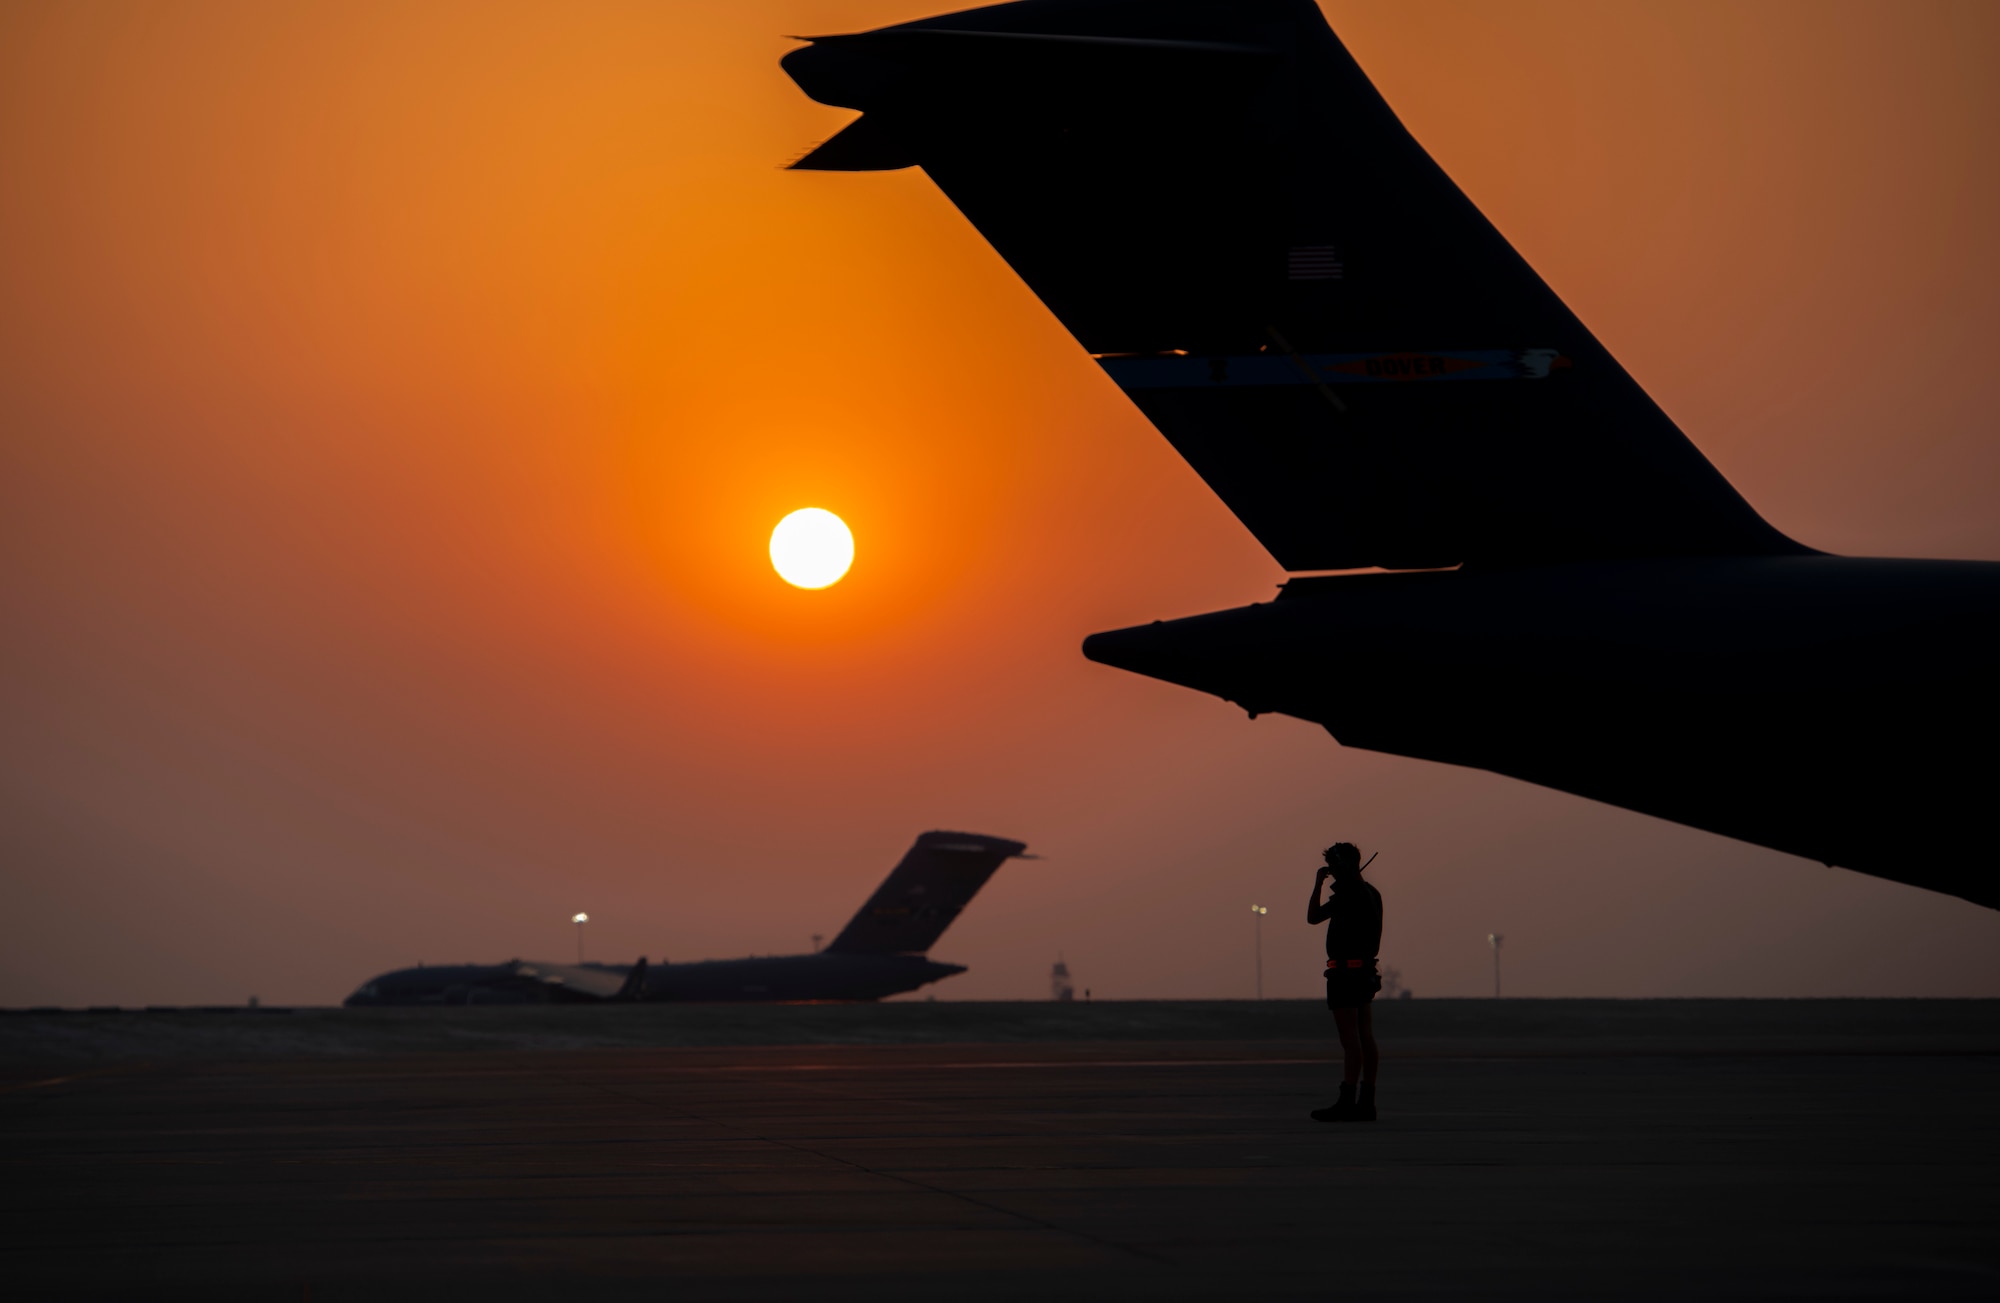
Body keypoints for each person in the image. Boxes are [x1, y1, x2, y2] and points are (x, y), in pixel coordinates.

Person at [1307, 842, 1382, 1122]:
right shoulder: (1372, 893)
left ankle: (1348, 1100)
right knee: (1365, 1037)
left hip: (1345, 975)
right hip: (1364, 972)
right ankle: (1367, 1100)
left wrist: (1317, 883)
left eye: (1334, 869)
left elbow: (1313, 917)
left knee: (1350, 1040)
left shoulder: (1348, 894)